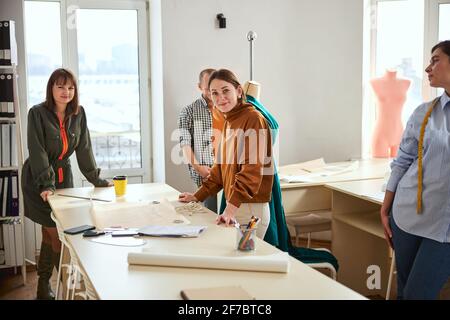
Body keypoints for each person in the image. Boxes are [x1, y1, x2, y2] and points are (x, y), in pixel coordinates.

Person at [21, 68, 112, 299]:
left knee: (50, 233)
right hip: (38, 179)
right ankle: (69, 289)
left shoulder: (79, 113)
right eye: (60, 86)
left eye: (70, 87)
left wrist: (95, 178)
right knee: (57, 234)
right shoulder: (37, 113)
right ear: (51, 88)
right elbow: (37, 150)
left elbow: (84, 148)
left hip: (64, 176)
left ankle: (44, 286)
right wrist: (46, 184)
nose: (66, 91)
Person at [380, 40, 450, 299]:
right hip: (408, 217)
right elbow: (403, 161)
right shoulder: (424, 113)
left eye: (435, 60)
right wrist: (386, 206)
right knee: (405, 293)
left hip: (444, 229)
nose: (427, 68)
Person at [178, 69, 274, 238]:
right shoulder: (229, 120)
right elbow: (220, 170)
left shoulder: (253, 118)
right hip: (237, 206)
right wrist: (197, 196)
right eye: (214, 93)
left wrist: (229, 209)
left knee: (245, 263)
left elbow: (251, 171)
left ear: (238, 91)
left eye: (225, 90)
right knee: (237, 262)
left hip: (249, 208)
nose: (220, 97)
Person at [178, 68, 225, 213]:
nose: (212, 93)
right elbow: (185, 144)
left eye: (215, 89)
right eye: (208, 89)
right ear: (199, 87)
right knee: (210, 215)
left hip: (228, 172)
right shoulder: (189, 111)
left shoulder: (226, 107)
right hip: (206, 174)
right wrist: (199, 169)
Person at [370, 69, 411, 158]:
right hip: (381, 133)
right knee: (378, 168)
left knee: (399, 169)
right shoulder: (375, 82)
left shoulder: (406, 82)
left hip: (399, 132)